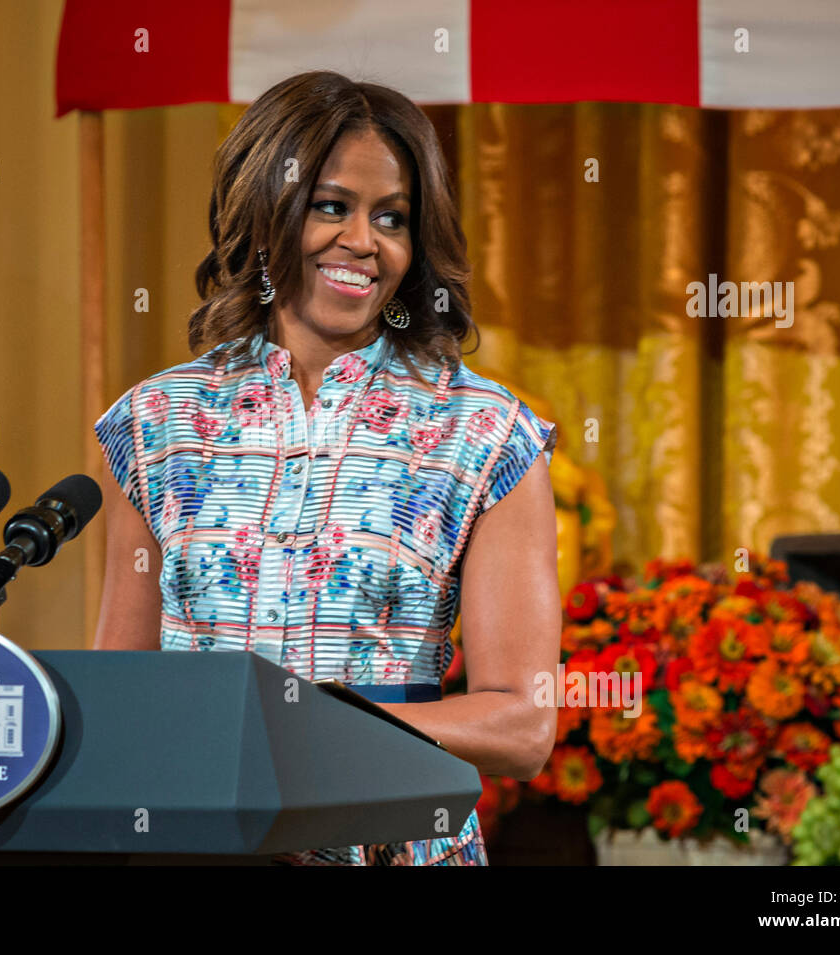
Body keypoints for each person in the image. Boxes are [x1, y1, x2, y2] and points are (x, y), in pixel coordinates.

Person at [93, 70, 561, 865]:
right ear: (264, 211)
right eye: (331, 206)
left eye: (393, 217)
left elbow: (522, 723)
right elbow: (120, 698)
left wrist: (304, 732)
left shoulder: (484, 431)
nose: (364, 242)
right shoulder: (154, 424)